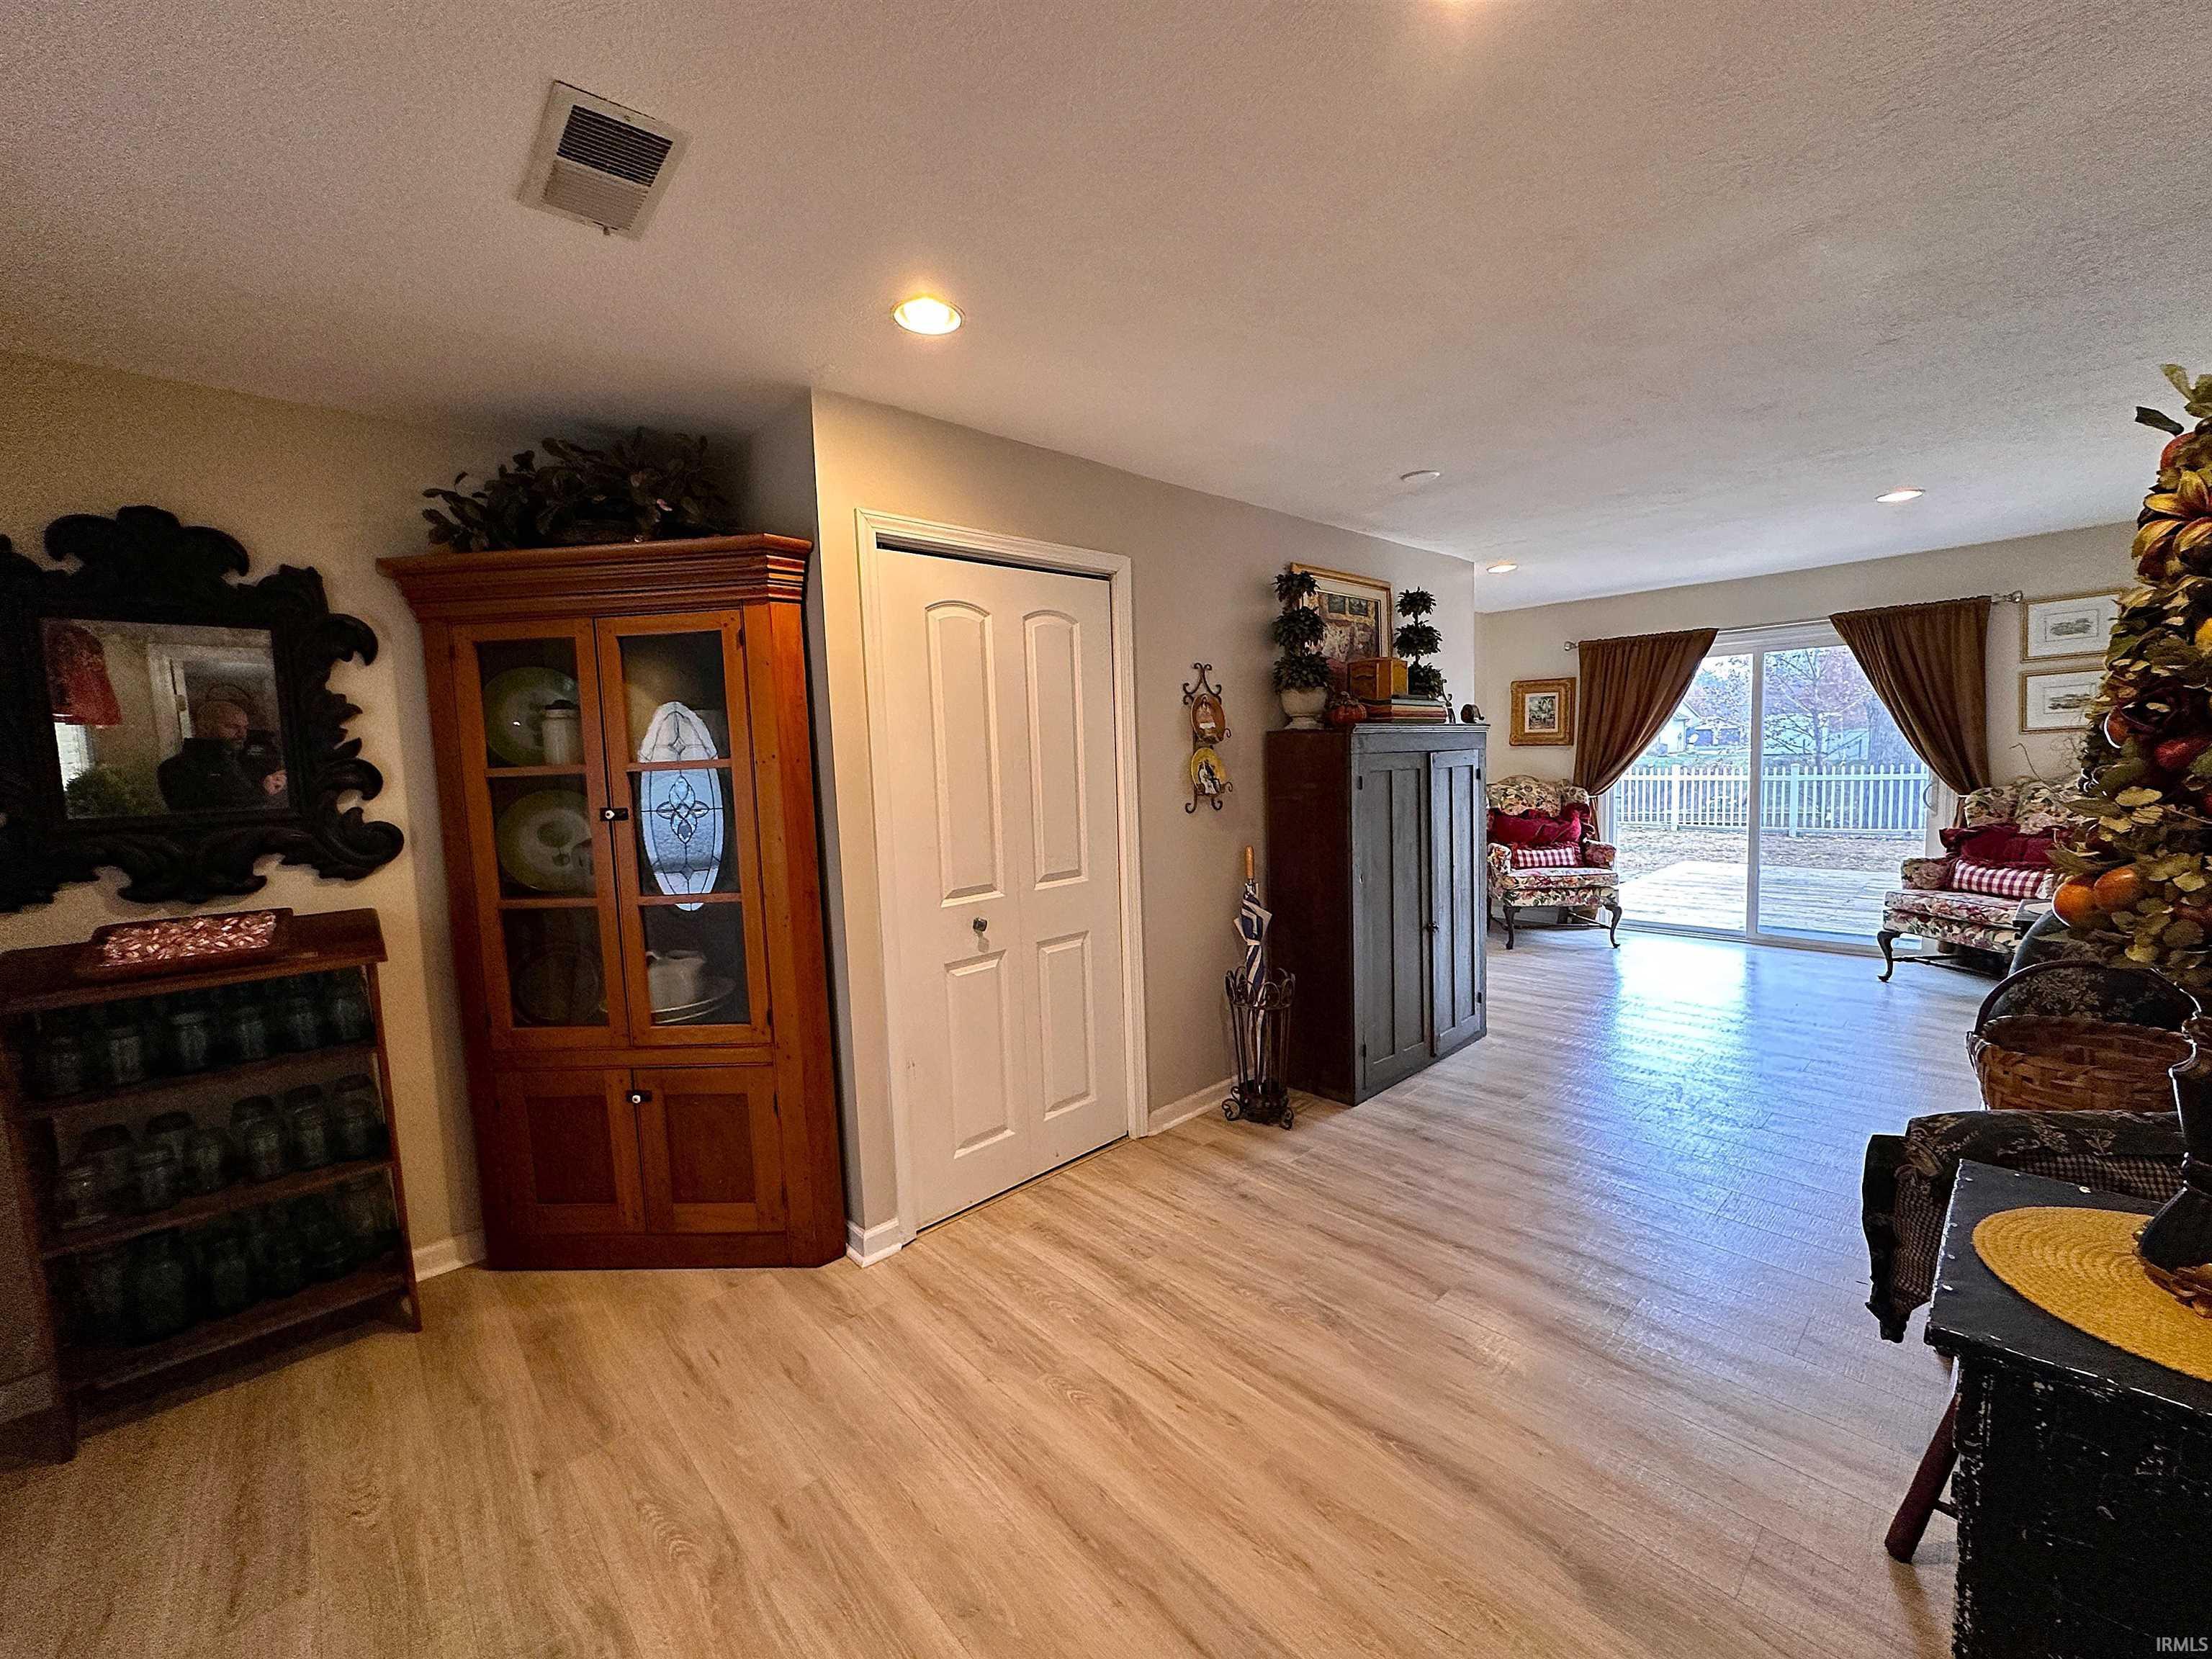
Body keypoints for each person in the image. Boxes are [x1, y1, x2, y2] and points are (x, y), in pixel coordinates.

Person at [156, 697, 287, 811]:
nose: (243, 734)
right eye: (232, 727)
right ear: (205, 727)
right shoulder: (176, 768)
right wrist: (262, 793)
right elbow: (207, 811)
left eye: (245, 727)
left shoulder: (241, 761)